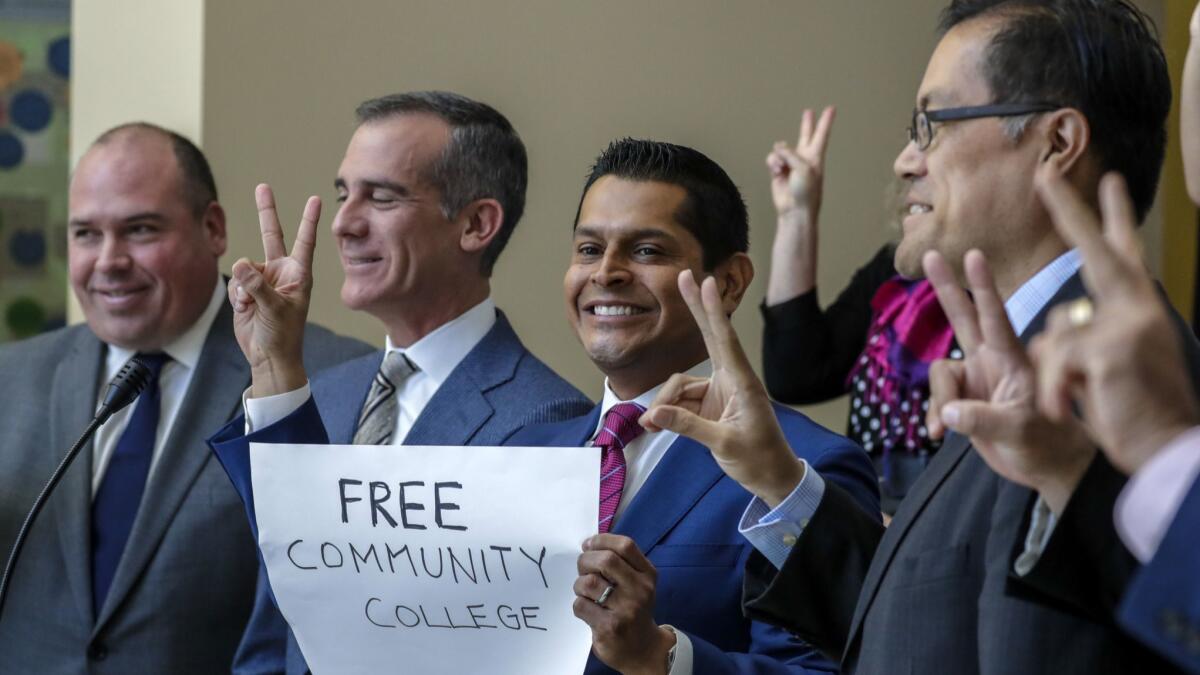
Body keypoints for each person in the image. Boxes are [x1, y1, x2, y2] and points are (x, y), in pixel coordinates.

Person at [641, 1, 1195, 673]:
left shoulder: (1126, 384)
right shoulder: (1014, 358)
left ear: (1056, 143)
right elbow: (924, 631)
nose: (906, 160)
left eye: (930, 124)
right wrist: (779, 479)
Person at [207, 91, 592, 675]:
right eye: (343, 194)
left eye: (380, 197)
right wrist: (271, 368)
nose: (343, 223)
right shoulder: (325, 395)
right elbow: (277, 626)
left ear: (476, 224)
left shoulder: (550, 418)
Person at [0, 123, 371, 674]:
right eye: (85, 235)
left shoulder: (334, 377)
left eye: (140, 230)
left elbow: (336, 599)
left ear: (214, 228)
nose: (109, 261)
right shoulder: (12, 376)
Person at [508, 138, 879, 674]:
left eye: (647, 251)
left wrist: (659, 657)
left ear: (728, 283)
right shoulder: (517, 457)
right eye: (589, 249)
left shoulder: (803, 471)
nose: (606, 272)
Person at [761, 107, 955, 512]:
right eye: (913, 133)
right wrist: (797, 215)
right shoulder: (899, 271)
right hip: (873, 536)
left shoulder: (1036, 294)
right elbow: (796, 375)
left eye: (931, 135)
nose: (903, 163)